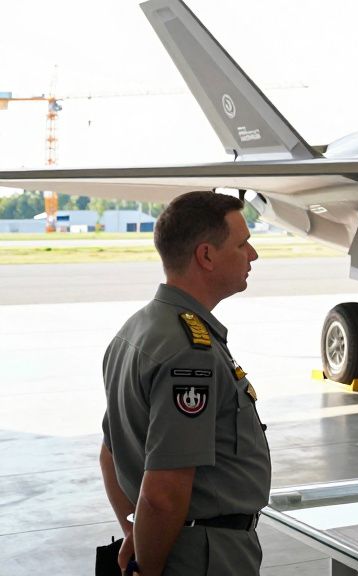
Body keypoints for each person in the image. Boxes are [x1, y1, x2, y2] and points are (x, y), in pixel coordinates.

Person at [99, 191, 269, 576]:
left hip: (182, 545)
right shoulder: (189, 352)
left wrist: (135, 531)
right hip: (203, 556)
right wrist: (149, 567)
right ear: (206, 256)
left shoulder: (137, 330)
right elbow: (163, 493)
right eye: (242, 244)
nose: (253, 254)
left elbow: (110, 453)